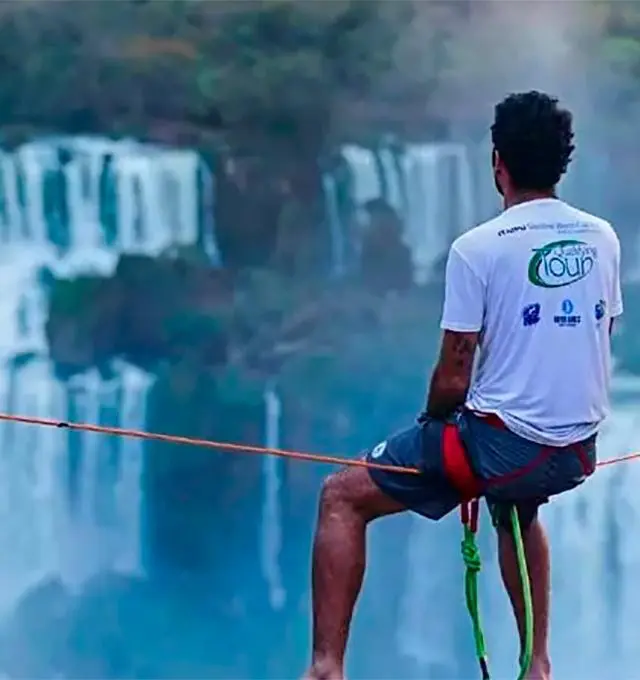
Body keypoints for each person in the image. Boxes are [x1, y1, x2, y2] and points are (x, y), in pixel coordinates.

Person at [303, 91, 623, 680]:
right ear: (562, 162)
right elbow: (597, 335)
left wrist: (435, 425)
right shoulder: (602, 237)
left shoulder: (477, 249)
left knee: (341, 496)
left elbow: (454, 372)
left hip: (503, 448)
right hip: (576, 450)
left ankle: (326, 667)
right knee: (517, 505)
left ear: (497, 162)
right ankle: (538, 663)